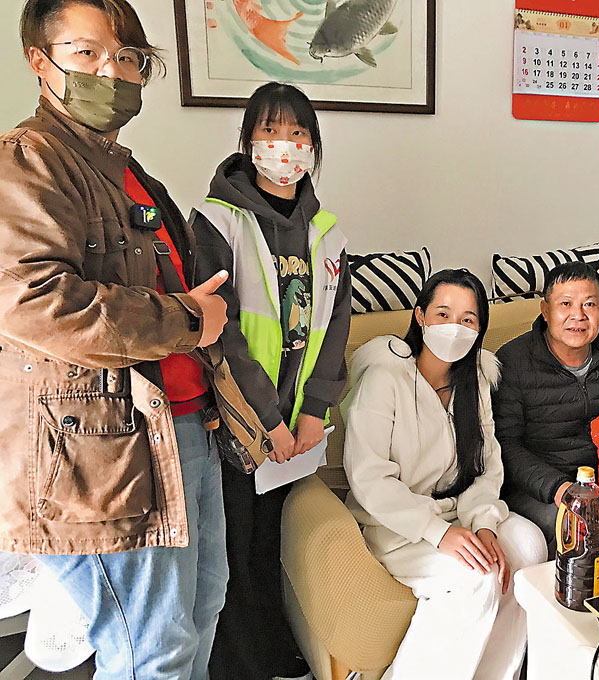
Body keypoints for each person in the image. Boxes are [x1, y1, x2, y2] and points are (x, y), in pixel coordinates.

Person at [0, 1, 234, 678]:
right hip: (103, 450)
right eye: (87, 53)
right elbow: (33, 302)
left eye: (127, 57)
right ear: (39, 60)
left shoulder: (126, 171)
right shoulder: (28, 160)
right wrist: (187, 320)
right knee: (149, 650)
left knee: (203, 608)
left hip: (181, 426)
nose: (111, 71)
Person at [192, 82, 351, 680]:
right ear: (248, 141)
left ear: (313, 146)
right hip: (238, 423)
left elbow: (335, 327)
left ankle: (278, 652)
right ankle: (240, 666)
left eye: (297, 133)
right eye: (270, 131)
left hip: (298, 426)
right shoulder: (216, 221)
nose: (284, 144)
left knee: (273, 547)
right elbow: (222, 333)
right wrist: (269, 423)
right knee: (232, 553)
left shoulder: (328, 231)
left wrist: (313, 412)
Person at [342, 269, 547, 680]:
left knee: (529, 546)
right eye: (443, 314)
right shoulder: (385, 377)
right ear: (420, 317)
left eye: (468, 319)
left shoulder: (477, 381)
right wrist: (439, 533)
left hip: (461, 512)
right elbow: (369, 477)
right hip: (398, 525)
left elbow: (487, 466)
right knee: (478, 578)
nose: (455, 327)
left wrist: (484, 523)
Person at [493, 262, 599, 558]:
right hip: (539, 488)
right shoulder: (514, 361)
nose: (578, 315)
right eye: (566, 304)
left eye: (589, 304)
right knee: (577, 529)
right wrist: (561, 488)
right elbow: (505, 445)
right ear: (545, 310)